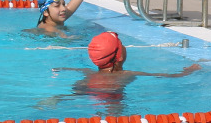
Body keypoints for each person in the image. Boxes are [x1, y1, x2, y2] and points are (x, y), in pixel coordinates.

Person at [70, 31, 202, 107]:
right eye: (122, 44)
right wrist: (190, 70)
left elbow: (77, 70)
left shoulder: (90, 74)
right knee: (115, 111)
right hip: (112, 98)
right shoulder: (127, 74)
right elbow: (171, 76)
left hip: (88, 90)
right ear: (120, 56)